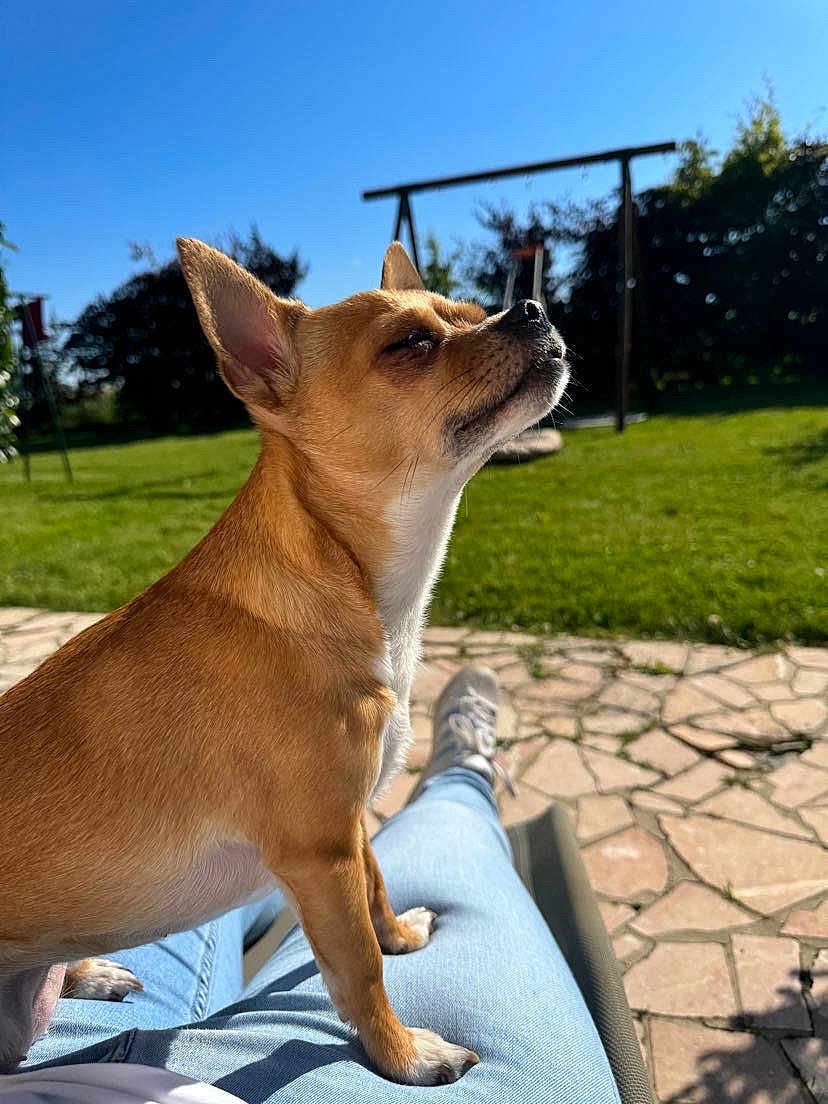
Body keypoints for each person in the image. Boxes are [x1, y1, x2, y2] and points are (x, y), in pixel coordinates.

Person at [3, 669, 621, 1103]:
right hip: (203, 1078)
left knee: (245, 815)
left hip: (48, 1027)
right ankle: (462, 775)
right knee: (439, 831)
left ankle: (294, 802)